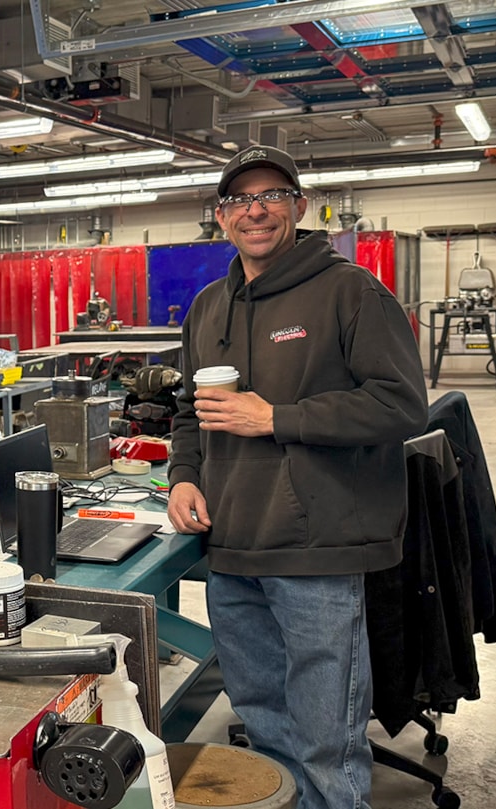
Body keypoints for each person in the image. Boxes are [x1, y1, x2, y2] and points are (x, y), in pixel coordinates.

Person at [166, 145, 428, 809]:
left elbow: (401, 405)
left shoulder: (349, 291)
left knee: (326, 741)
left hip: (317, 552)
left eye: (271, 195)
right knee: (264, 722)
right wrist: (184, 477)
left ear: (299, 207)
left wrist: (275, 416)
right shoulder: (206, 307)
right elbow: (189, 415)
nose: (254, 210)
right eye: (238, 200)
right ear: (221, 218)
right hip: (231, 549)